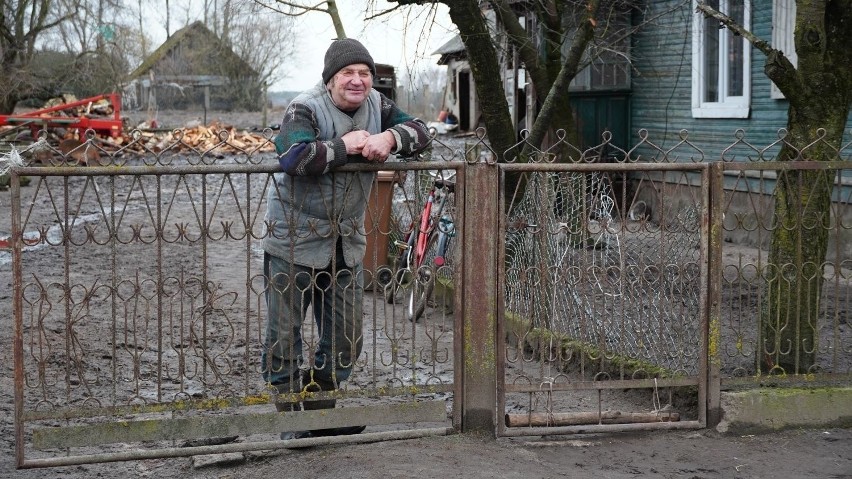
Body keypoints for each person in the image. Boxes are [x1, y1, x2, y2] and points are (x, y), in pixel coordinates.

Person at [262, 38, 430, 440]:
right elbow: (293, 157)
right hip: (294, 242)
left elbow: (422, 133)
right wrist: (343, 146)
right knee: (284, 337)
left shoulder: (378, 106)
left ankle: (319, 417)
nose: (357, 81)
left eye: (364, 74)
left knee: (345, 339)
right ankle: (290, 420)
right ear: (331, 78)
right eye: (348, 74)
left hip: (346, 243)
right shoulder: (304, 106)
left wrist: (389, 139)